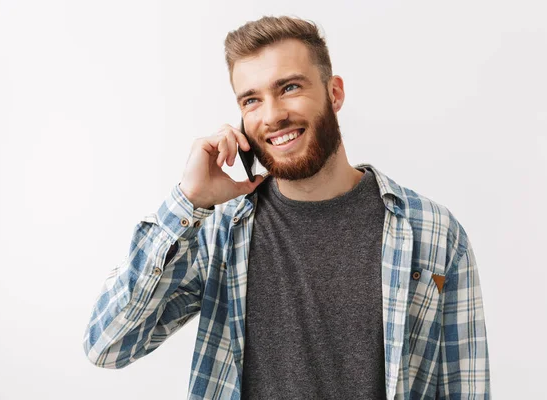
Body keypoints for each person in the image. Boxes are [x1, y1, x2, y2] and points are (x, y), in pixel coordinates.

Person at [83, 15, 490, 400]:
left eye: (290, 88)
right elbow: (108, 345)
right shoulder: (218, 229)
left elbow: (465, 388)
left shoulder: (433, 232)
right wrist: (189, 202)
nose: (273, 115)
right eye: (252, 101)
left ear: (335, 93)